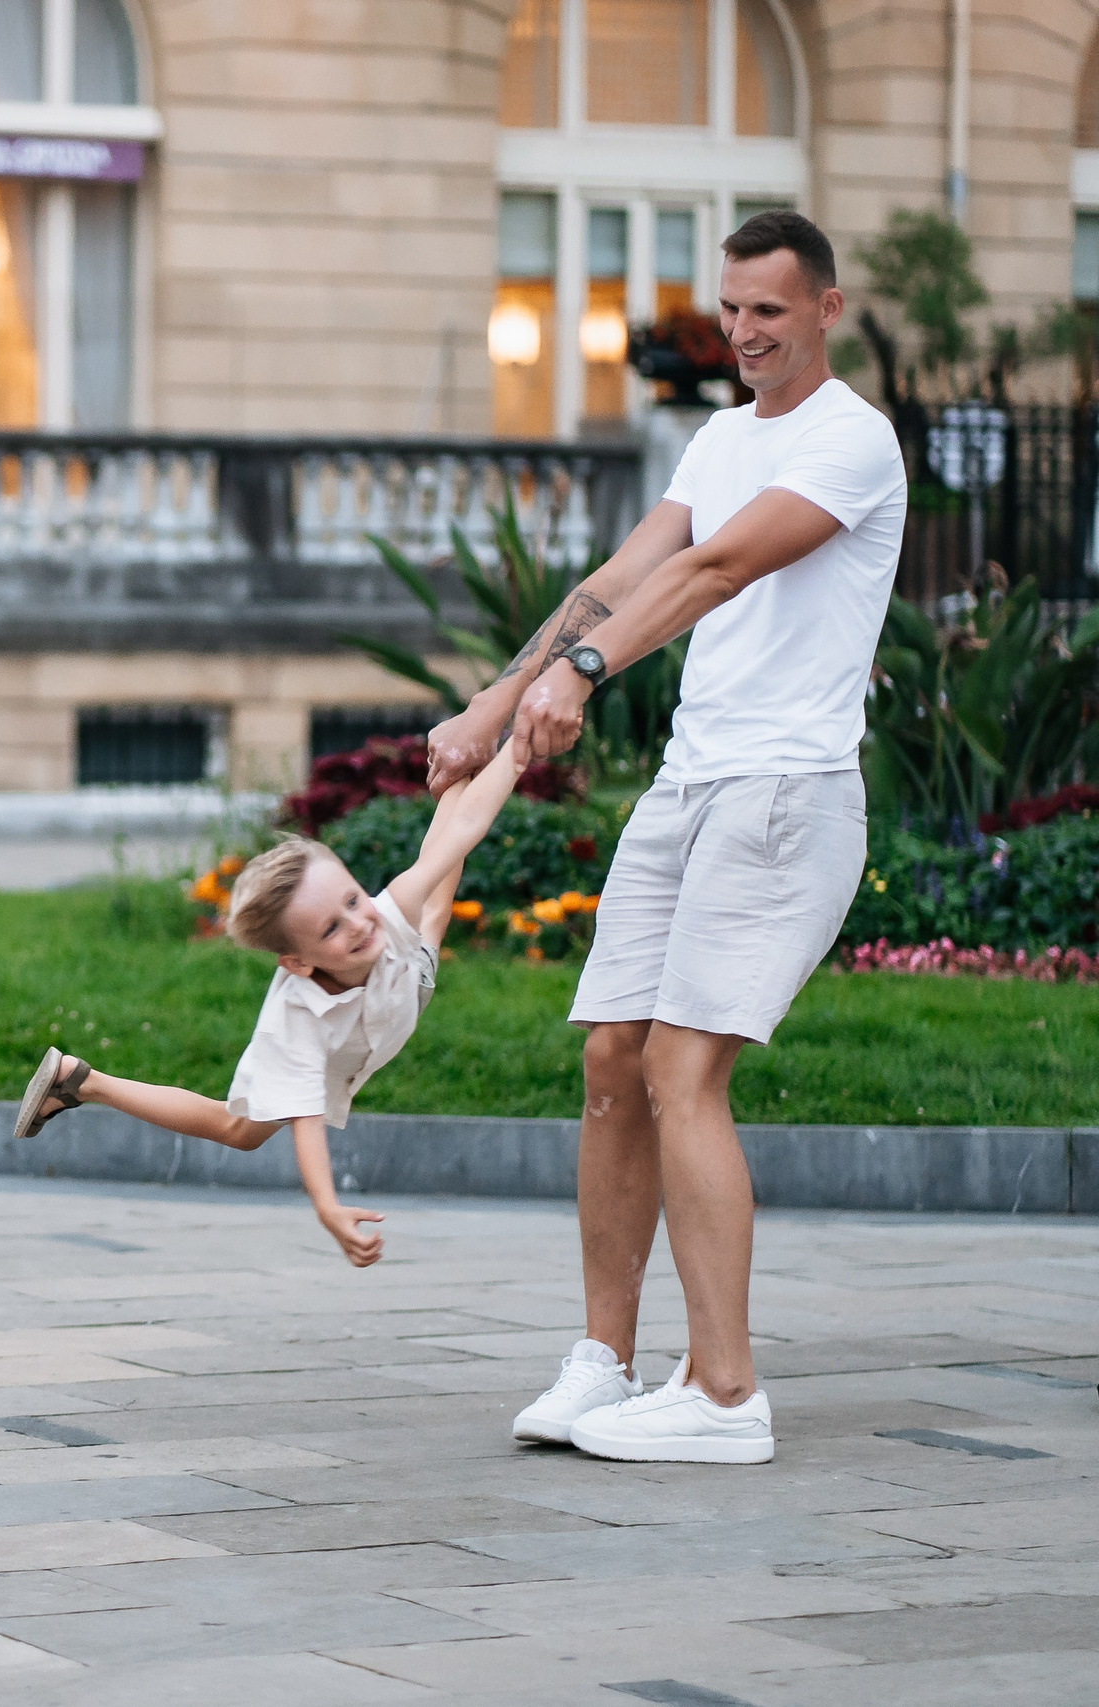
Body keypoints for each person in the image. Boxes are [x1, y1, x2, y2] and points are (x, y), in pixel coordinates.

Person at [426, 212, 905, 1465]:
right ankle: (603, 1362)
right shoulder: (718, 433)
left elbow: (714, 574)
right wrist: (495, 697)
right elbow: (632, 565)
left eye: (770, 311)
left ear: (826, 310)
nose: (744, 333)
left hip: (783, 794)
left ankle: (726, 1393)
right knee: (611, 1060)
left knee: (683, 1070)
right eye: (731, 310)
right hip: (690, 787)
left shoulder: (851, 439)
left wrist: (579, 675)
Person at [13, 747, 523, 1268]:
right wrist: (328, 1208)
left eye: (352, 900)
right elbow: (308, 1122)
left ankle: (465, 764)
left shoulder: (381, 915)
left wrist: (516, 750)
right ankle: (85, 1081)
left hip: (405, 979)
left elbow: (467, 826)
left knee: (434, 883)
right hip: (355, 1031)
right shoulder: (296, 1027)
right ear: (295, 963)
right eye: (330, 928)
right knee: (240, 1133)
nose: (357, 925)